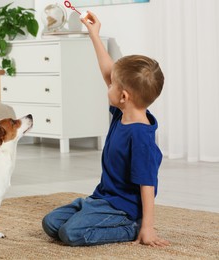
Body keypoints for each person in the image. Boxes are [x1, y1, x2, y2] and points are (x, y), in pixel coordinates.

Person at [42, 11, 170, 247]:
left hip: (124, 210)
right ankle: (91, 214)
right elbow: (109, 72)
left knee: (70, 234)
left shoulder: (141, 136)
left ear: (123, 96)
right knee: (51, 223)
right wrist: (94, 34)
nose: (107, 82)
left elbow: (147, 184)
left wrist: (147, 227)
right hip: (101, 199)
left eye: (111, 84)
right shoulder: (123, 112)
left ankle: (129, 229)